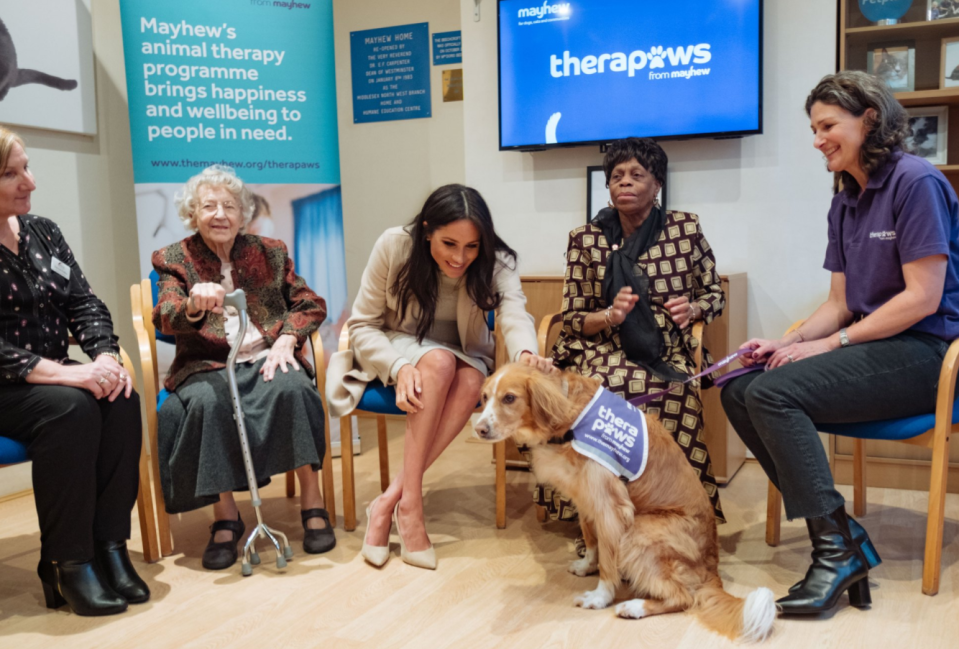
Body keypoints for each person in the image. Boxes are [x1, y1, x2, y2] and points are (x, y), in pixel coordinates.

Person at [720, 70, 959, 615]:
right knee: (739, 388)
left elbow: (923, 297)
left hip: (928, 353)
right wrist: (790, 339)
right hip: (873, 349)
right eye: (813, 127)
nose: (817, 138)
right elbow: (839, 304)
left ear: (869, 119)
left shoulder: (915, 181)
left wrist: (830, 346)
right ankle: (842, 535)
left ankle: (835, 548)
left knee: (772, 394)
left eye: (828, 125)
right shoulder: (845, 198)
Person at [327, 184, 550, 570]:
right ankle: (410, 507)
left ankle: (390, 500)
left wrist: (526, 353)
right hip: (397, 348)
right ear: (427, 229)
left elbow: (514, 315)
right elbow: (362, 324)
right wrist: (399, 366)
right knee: (441, 364)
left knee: (465, 379)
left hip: (464, 358)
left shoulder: (498, 261)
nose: (460, 257)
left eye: (472, 247)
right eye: (449, 244)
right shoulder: (394, 246)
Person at [152, 165, 334, 570]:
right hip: (207, 363)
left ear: (243, 212)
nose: (220, 214)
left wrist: (287, 337)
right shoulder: (173, 259)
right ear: (193, 213)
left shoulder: (271, 251)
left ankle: (312, 498)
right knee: (207, 405)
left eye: (229, 206)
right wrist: (193, 305)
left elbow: (310, 303)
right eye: (209, 206)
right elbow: (165, 316)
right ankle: (226, 516)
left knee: (295, 389)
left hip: (267, 353)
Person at [0, 126, 148, 615]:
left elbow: (85, 302)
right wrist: (63, 374)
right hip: (9, 385)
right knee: (71, 407)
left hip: (54, 379)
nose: (31, 182)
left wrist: (104, 355)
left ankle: (109, 548)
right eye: (12, 174)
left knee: (119, 393)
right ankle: (67, 562)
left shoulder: (43, 231)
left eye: (27, 167)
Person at [546, 137, 725, 523]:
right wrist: (611, 315)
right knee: (601, 398)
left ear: (656, 184)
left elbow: (714, 294)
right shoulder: (586, 239)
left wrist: (692, 307)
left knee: (673, 396)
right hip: (602, 348)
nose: (624, 182)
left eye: (636, 175)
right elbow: (574, 317)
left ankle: (674, 508)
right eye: (616, 176)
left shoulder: (684, 229)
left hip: (664, 350)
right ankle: (598, 516)